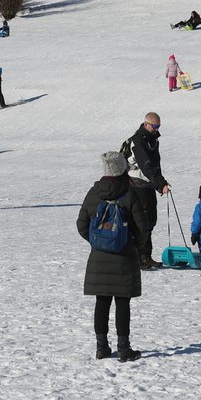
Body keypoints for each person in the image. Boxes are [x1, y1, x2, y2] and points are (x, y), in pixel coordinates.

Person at [77, 151, 149, 362]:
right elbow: (143, 227)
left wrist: (97, 242)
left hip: (99, 257)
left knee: (102, 301)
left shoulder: (93, 193)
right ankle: (124, 348)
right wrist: (133, 246)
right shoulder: (129, 193)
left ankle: (101, 347)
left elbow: (81, 224)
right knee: (122, 303)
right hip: (124, 256)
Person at [120, 112, 171, 270]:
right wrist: (159, 183)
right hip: (137, 184)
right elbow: (146, 165)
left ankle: (146, 256)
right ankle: (138, 257)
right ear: (146, 124)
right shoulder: (138, 141)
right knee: (141, 223)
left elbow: (155, 164)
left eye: (158, 126)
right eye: (154, 126)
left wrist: (160, 181)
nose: (156, 129)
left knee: (150, 221)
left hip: (147, 184)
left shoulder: (152, 140)